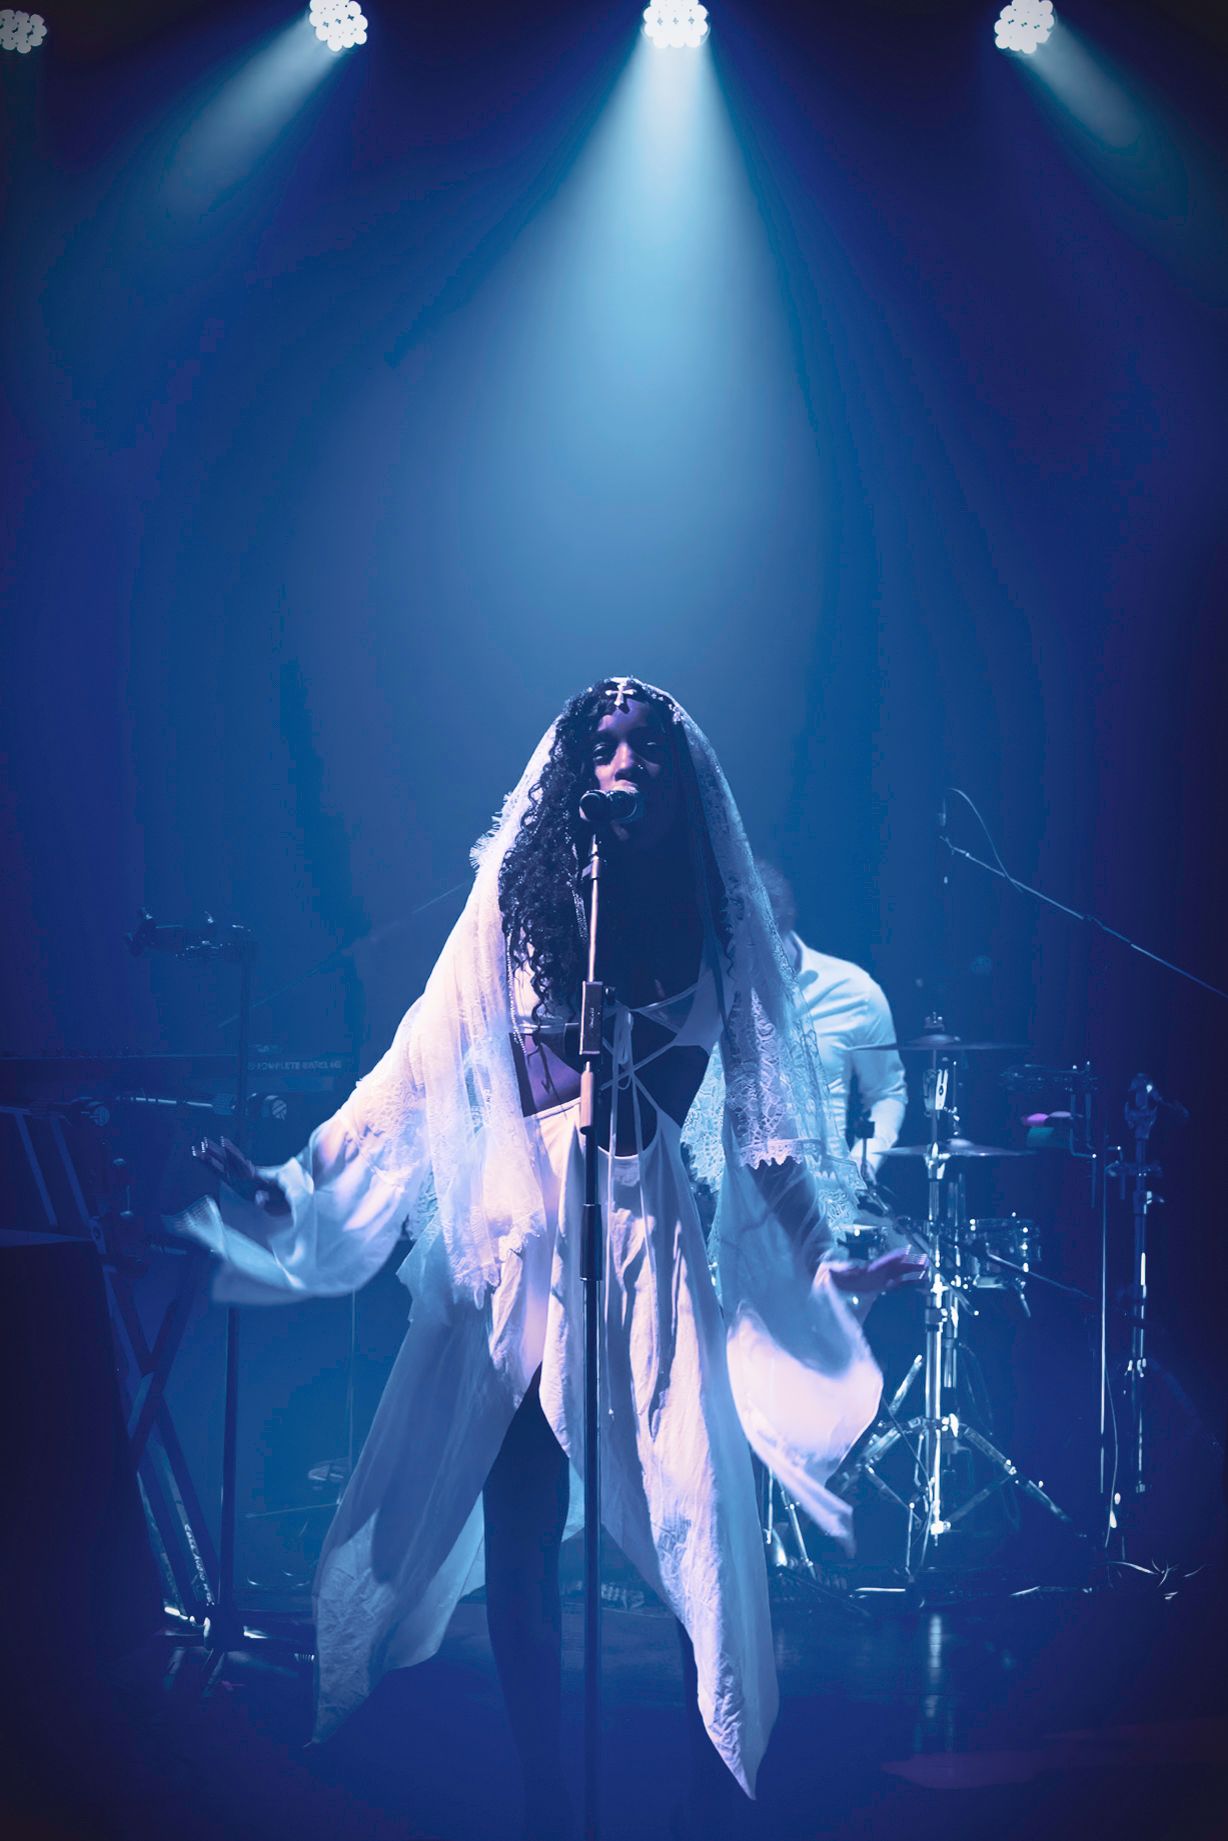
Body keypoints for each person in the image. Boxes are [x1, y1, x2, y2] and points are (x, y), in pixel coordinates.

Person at [180, 679, 922, 1838]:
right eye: (602, 747)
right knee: (521, 1518)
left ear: (683, 784)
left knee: (693, 1519)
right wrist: (292, 1181)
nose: (618, 766)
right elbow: (414, 1068)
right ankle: (542, 1792)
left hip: (649, 1251)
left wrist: (828, 1267)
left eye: (642, 752)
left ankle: (699, 1798)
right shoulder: (519, 909)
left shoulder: (724, 933)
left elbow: (768, 1136)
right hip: (522, 1242)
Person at [756, 861, 907, 1181]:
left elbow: (886, 1093)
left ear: (779, 924)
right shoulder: (717, 993)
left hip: (827, 1192)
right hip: (736, 1198)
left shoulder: (855, 990)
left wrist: (863, 1161)